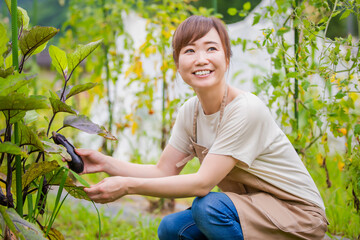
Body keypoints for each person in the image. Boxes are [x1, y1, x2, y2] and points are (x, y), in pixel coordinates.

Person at [77, 15, 329, 239]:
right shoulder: (191, 111)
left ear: (227, 58)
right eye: (189, 51)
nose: (201, 59)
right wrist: (104, 163)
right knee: (171, 228)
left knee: (208, 207)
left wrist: (127, 186)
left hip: (298, 215)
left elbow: (201, 184)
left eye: (211, 48)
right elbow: (163, 171)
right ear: (177, 64)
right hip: (253, 206)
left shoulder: (245, 109)